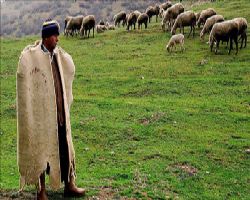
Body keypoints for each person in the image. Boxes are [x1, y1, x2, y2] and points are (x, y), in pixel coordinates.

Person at [16, 19, 85, 200]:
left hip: (60, 114)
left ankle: (70, 185)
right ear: (47, 37)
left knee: (66, 147)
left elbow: (69, 68)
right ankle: (41, 191)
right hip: (43, 117)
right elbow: (24, 76)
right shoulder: (33, 57)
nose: (58, 39)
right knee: (41, 151)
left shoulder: (59, 56)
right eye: (55, 35)